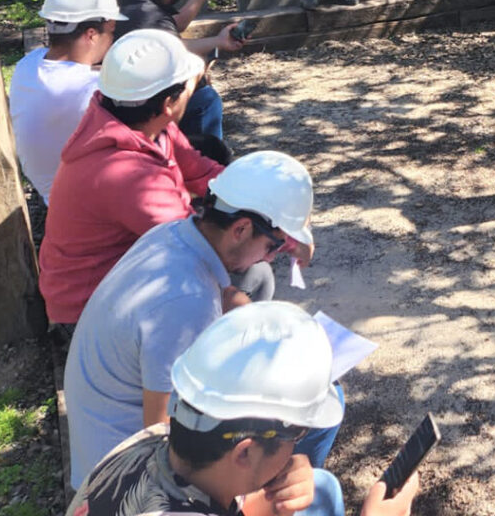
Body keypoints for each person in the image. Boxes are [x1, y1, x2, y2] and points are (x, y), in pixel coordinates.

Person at [64, 151, 322, 487]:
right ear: (241, 228)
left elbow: (223, 295)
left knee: (257, 282)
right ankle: (284, 491)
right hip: (127, 482)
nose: (271, 257)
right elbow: (161, 435)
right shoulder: (185, 304)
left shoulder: (173, 235)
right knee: (310, 408)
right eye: (273, 247)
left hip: (103, 438)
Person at [67, 301, 420, 516]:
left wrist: (277, 499)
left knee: (320, 485)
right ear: (245, 451)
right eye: (297, 434)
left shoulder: (151, 440)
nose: (298, 446)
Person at [38, 29, 221, 331]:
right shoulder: (126, 174)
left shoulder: (146, 126)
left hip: (123, 275)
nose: (194, 87)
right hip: (89, 307)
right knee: (244, 279)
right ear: (168, 104)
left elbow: (200, 171)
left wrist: (263, 199)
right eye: (190, 84)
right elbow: (194, 248)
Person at [9, 0, 126, 205]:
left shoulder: (27, 64)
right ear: (91, 34)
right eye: (111, 32)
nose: (111, 40)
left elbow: (71, 75)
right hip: (93, 204)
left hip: (53, 197)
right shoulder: (94, 91)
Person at [118, 0, 244, 142]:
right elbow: (173, 49)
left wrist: (218, 41)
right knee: (205, 98)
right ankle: (206, 161)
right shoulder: (153, 16)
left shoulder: (130, 1)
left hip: (124, 95)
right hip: (146, 106)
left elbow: (172, 32)